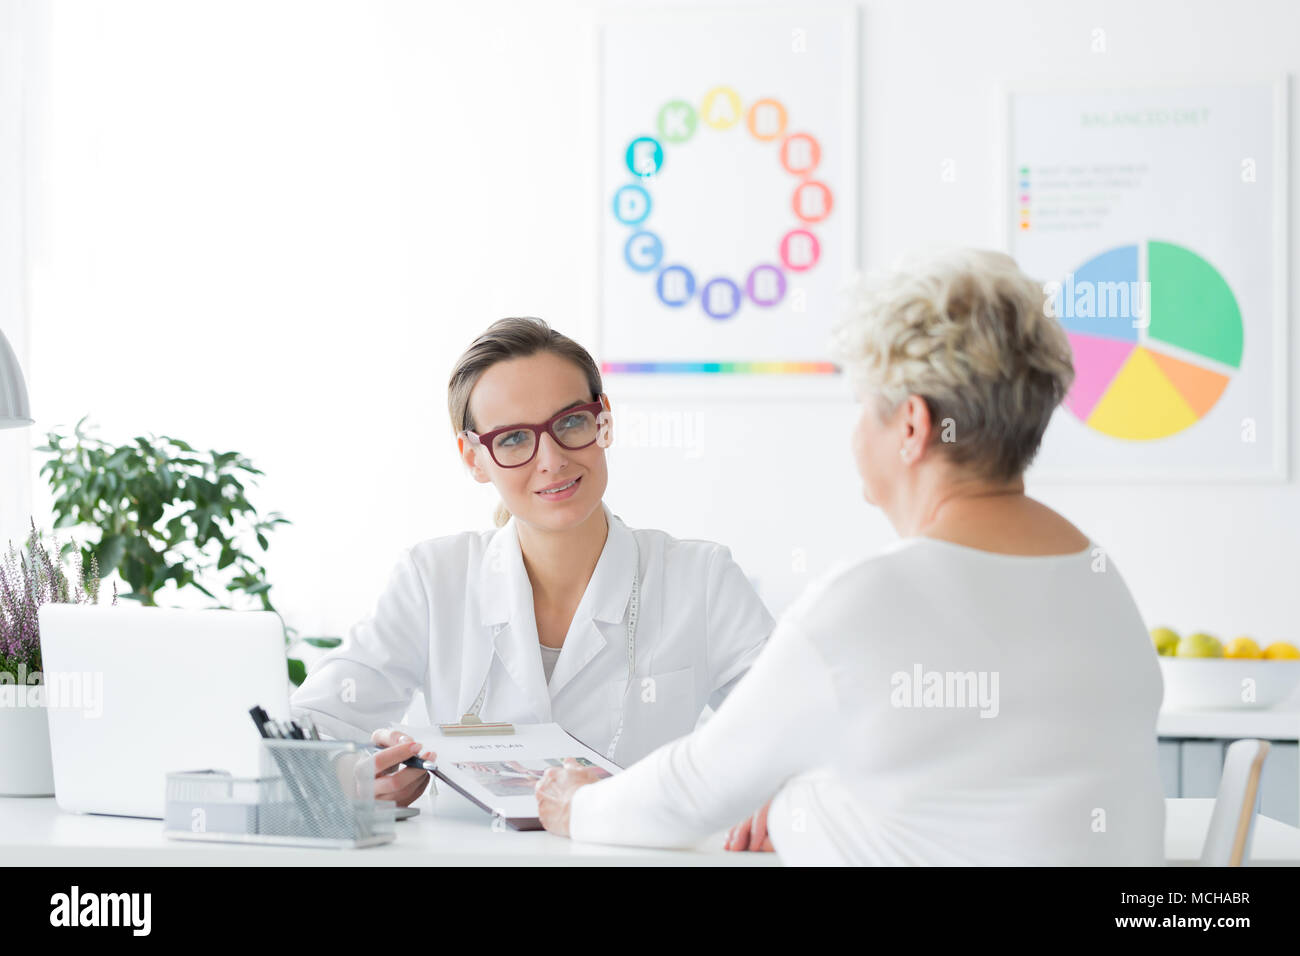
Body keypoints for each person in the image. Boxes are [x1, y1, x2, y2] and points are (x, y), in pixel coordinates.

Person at [534, 248, 1166, 865]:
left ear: (913, 428)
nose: (859, 432)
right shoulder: (1099, 580)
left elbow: (695, 789)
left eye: (867, 407)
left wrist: (577, 806)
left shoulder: (872, 601)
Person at [290, 317, 774, 806]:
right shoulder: (433, 578)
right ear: (474, 457)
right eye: (515, 439)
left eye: (570, 422)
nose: (552, 459)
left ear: (603, 419)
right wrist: (358, 776)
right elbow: (307, 731)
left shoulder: (700, 578)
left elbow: (798, 730)